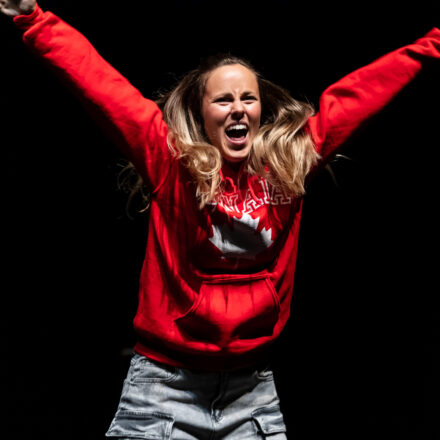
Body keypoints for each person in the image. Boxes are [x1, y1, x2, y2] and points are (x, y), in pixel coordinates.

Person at [2, 1, 439, 438]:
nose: (238, 108)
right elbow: (102, 86)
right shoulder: (171, 163)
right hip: (163, 387)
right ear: (202, 113)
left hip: (251, 392)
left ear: (261, 109)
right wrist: (35, 18)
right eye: (224, 100)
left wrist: (431, 44)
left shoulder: (290, 163)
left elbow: (358, 97)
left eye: (248, 98)